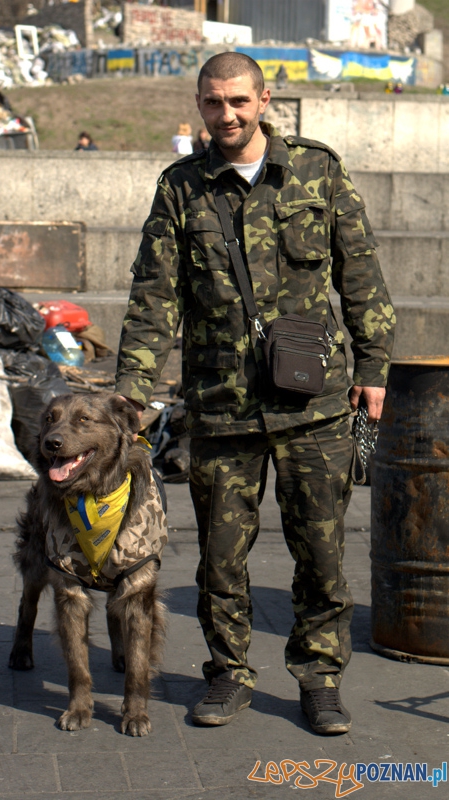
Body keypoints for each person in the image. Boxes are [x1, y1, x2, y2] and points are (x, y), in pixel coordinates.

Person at [114, 52, 395, 735]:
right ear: (199, 104)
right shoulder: (181, 187)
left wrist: (374, 366)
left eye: (238, 100)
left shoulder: (317, 170)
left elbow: (359, 272)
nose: (227, 114)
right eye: (213, 102)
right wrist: (132, 390)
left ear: (264, 100)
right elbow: (155, 296)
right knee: (220, 558)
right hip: (221, 404)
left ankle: (320, 678)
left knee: (320, 555)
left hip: (313, 403)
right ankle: (228, 672)